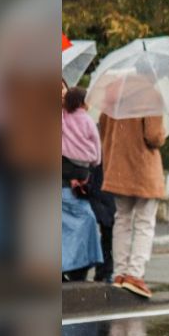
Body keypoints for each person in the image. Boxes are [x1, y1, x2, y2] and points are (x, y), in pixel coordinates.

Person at [98, 99, 165, 299]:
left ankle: (119, 273)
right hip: (143, 167)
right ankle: (135, 274)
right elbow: (154, 136)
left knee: (122, 219)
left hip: (118, 166)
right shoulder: (150, 95)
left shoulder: (114, 95)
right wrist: (162, 133)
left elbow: (102, 128)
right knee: (144, 221)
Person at [61, 86, 103, 281]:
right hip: (81, 172)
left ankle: (67, 265)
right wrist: (94, 160)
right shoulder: (87, 120)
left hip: (65, 171)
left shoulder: (62, 118)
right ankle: (79, 264)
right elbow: (96, 146)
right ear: (83, 102)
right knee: (86, 221)